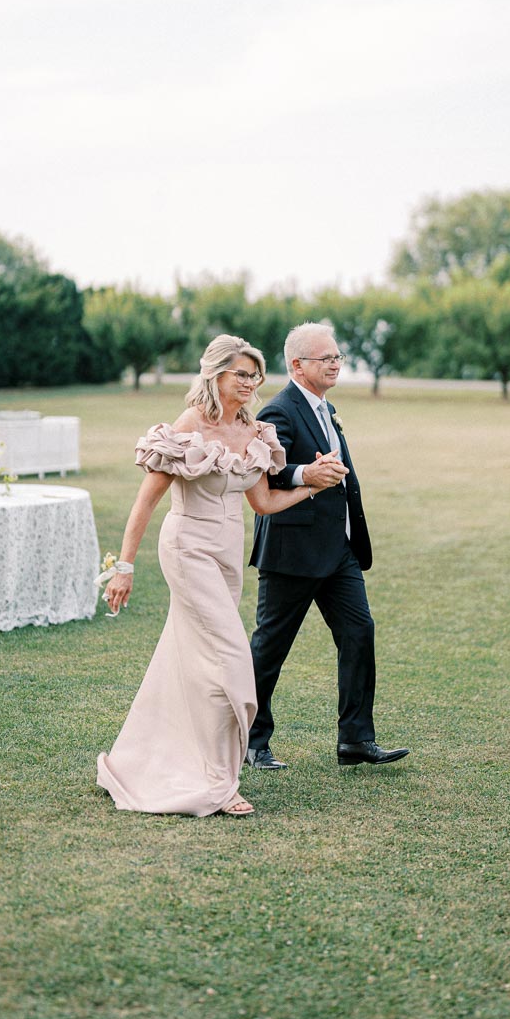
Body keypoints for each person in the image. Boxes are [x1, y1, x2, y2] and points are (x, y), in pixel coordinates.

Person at [96, 334, 342, 818]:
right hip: (188, 549)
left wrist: (311, 485)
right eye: (241, 375)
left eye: (255, 375)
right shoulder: (187, 428)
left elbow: (265, 502)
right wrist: (124, 567)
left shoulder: (253, 431)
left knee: (200, 662)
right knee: (232, 659)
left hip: (228, 556)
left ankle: (143, 758)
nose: (251, 383)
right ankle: (220, 781)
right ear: (216, 376)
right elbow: (146, 503)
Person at [246, 322, 409, 770]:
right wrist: (305, 474)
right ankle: (251, 740)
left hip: (339, 550)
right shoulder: (278, 411)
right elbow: (267, 468)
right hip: (292, 551)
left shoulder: (325, 408)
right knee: (269, 649)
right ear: (297, 365)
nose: (336, 364)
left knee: (359, 633)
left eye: (338, 357)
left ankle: (355, 740)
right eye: (326, 358)